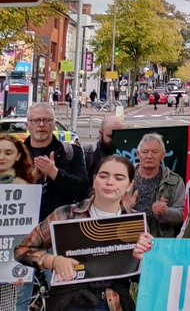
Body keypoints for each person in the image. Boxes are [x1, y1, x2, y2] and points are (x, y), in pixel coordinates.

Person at [17, 156, 143, 311]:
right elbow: (22, 250)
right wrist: (52, 261)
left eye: (119, 178)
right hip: (69, 303)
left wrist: (145, 259)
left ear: (129, 185)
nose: (110, 182)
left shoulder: (135, 222)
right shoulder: (65, 214)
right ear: (94, 179)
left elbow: (141, 277)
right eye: (103, 176)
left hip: (115, 303)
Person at [24, 103, 88, 220]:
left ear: (54, 125)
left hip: (62, 225)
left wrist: (55, 174)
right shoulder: (15, 155)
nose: (41, 124)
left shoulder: (71, 152)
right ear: (27, 125)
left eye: (47, 120)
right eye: (36, 120)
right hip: (23, 225)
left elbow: (83, 188)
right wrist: (31, 179)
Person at [132, 133, 186, 238]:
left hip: (161, 240)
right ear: (138, 154)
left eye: (155, 152)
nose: (149, 156)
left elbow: (183, 213)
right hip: (130, 238)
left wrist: (166, 212)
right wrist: (125, 207)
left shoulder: (175, 181)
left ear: (163, 155)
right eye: (145, 152)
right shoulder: (125, 176)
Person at [85, 115, 123, 181]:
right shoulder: (89, 154)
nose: (115, 140)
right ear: (100, 133)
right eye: (110, 136)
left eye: (119, 136)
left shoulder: (130, 153)